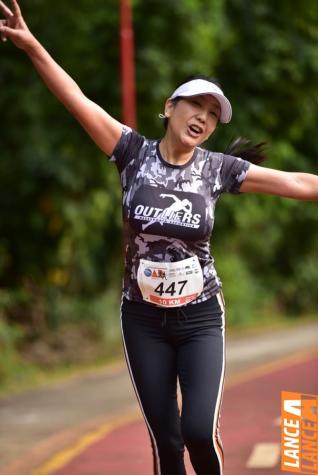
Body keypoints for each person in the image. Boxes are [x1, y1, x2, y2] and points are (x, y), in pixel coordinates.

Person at [1, 2, 318, 474]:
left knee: (196, 433)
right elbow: (75, 99)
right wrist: (31, 45)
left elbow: (296, 183)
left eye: (213, 116)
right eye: (196, 106)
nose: (204, 119)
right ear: (170, 108)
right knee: (167, 444)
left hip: (200, 318)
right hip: (143, 319)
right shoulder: (131, 152)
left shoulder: (217, 169)